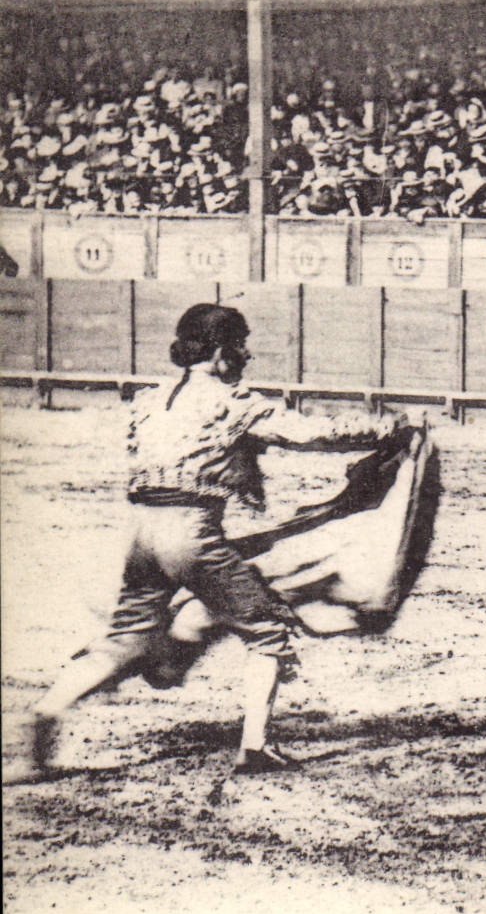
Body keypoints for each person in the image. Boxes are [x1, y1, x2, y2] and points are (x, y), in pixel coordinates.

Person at [13, 303, 406, 783]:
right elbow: (310, 436)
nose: (246, 355)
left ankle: (48, 710)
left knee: (129, 637)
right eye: (240, 345)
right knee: (265, 630)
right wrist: (387, 430)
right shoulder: (232, 401)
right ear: (220, 352)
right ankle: (255, 748)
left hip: (140, 531)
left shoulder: (148, 398)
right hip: (191, 532)